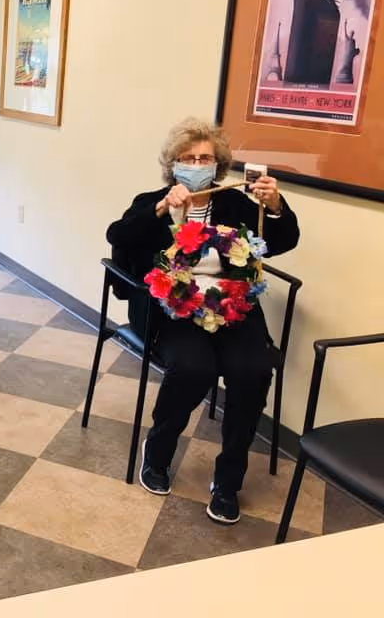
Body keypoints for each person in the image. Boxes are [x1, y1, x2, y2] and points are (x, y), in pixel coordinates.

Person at [106, 118, 299, 524]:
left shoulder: (234, 203)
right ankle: (157, 453)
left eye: (206, 158)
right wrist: (162, 210)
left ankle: (228, 480)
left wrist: (276, 206)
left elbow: (280, 241)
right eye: (188, 157)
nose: (197, 163)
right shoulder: (153, 200)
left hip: (231, 304)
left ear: (219, 165)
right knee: (193, 367)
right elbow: (120, 236)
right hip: (172, 306)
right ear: (173, 164)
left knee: (253, 370)